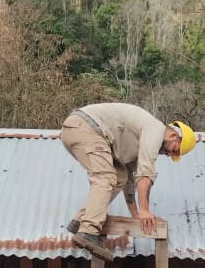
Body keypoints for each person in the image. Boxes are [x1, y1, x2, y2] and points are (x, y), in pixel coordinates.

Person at [59, 103, 196, 260]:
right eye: (174, 150)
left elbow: (131, 180)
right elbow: (145, 173)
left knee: (120, 177)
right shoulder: (155, 130)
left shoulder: (141, 139)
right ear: (173, 136)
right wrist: (144, 210)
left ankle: (80, 220)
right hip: (85, 128)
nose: (168, 154)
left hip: (81, 130)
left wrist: (136, 215)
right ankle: (89, 231)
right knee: (105, 177)